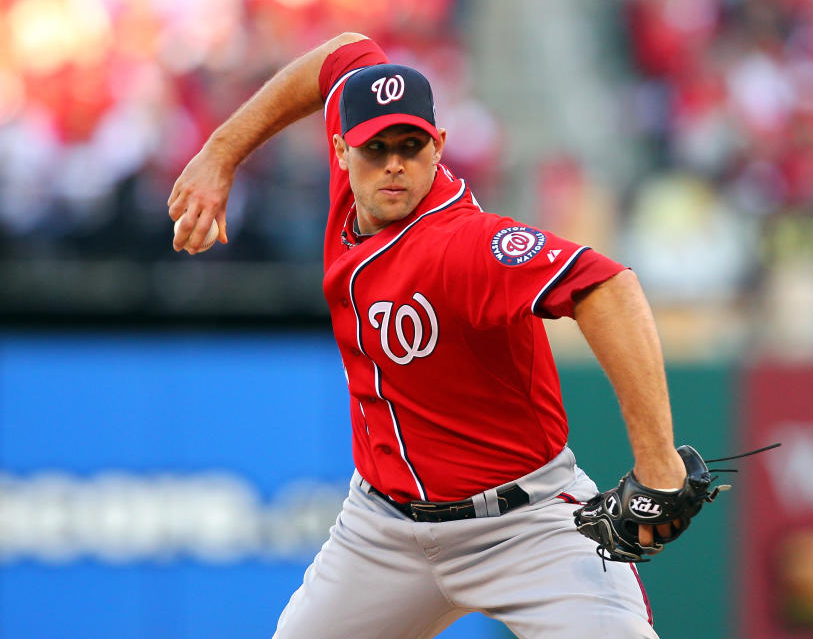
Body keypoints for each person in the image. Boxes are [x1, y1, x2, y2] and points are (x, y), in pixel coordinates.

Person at [168, 32, 686, 639]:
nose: (393, 163)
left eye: (411, 147)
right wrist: (222, 151)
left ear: (438, 147)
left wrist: (659, 464)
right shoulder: (356, 194)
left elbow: (608, 288)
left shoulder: (465, 245)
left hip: (524, 525)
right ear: (340, 150)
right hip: (382, 532)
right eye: (374, 147)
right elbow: (345, 53)